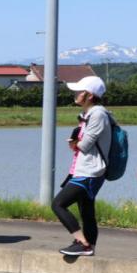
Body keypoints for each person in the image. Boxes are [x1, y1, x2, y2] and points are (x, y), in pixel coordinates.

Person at [54, 76, 112, 256]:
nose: (76, 94)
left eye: (80, 91)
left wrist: (74, 143)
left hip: (90, 171)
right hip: (84, 169)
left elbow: (84, 145)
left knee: (58, 204)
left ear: (89, 95)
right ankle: (89, 247)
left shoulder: (98, 114)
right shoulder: (88, 115)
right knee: (86, 211)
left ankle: (82, 242)